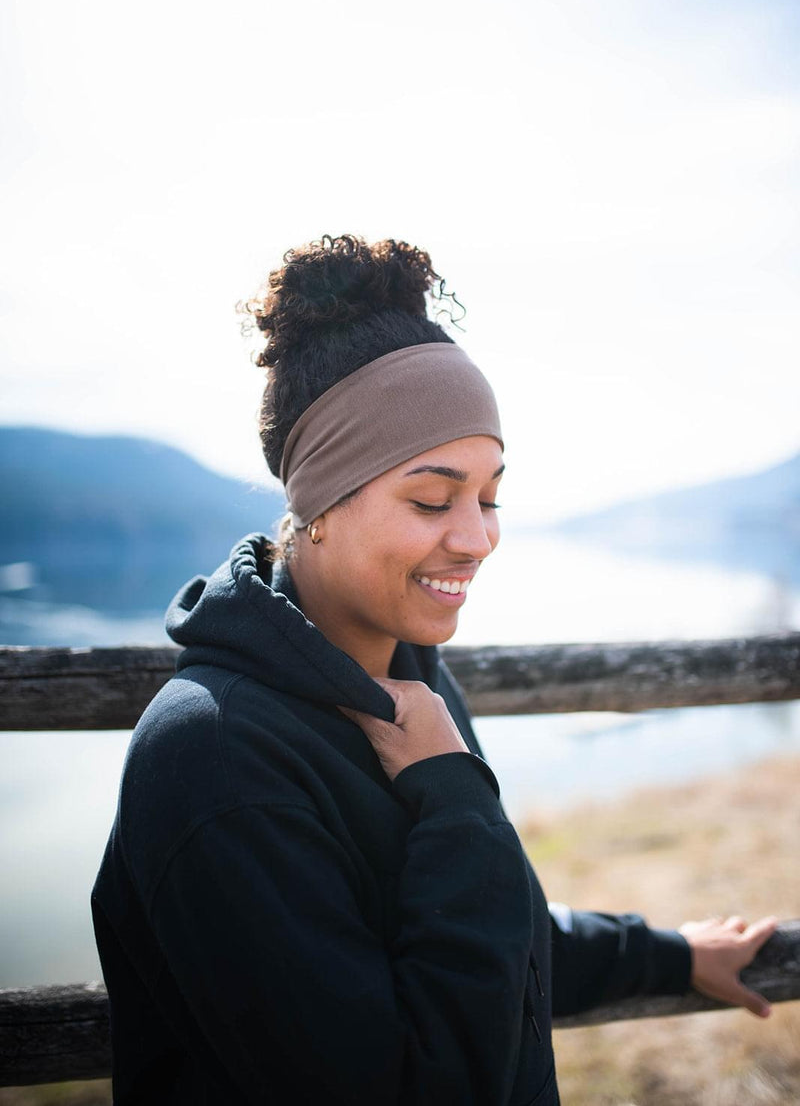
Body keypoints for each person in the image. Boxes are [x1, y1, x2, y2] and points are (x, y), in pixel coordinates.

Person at [92, 234, 778, 1105]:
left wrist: (673, 955)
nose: (477, 536)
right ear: (319, 505)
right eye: (431, 497)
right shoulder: (216, 757)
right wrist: (454, 794)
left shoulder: (412, 683)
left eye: (489, 496)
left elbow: (488, 940)